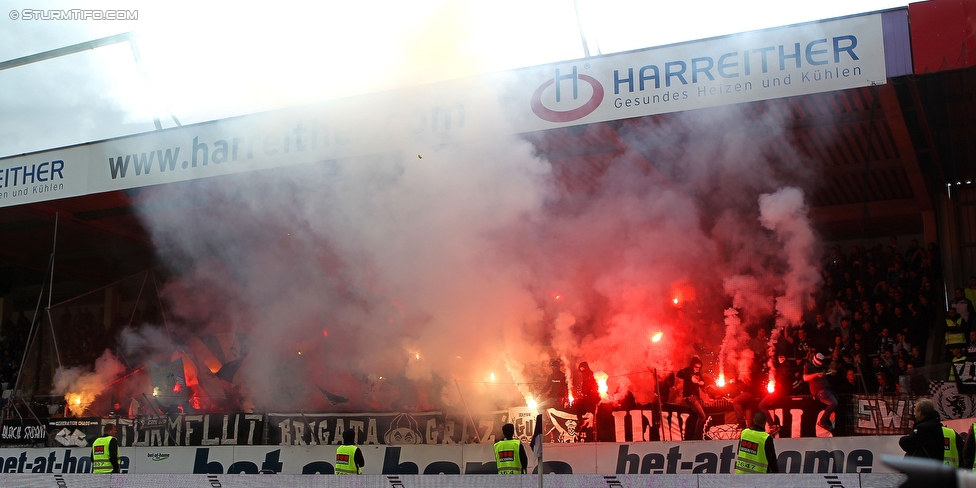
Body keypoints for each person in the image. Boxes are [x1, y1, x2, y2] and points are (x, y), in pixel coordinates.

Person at [803, 352, 839, 432]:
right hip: (818, 390)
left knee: (837, 401)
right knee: (834, 403)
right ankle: (822, 421)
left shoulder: (823, 365)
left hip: (827, 388)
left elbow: (828, 370)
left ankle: (831, 421)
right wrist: (816, 374)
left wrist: (832, 371)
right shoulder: (808, 366)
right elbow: (805, 378)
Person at [676, 356, 707, 440]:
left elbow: (704, 383)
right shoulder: (688, 370)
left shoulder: (698, 373)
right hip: (690, 396)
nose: (697, 369)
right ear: (693, 365)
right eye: (696, 367)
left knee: (696, 416)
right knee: (702, 416)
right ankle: (697, 437)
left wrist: (701, 383)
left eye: (699, 367)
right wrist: (690, 377)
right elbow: (678, 373)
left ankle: (695, 436)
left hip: (694, 397)